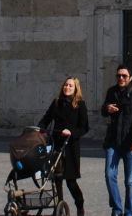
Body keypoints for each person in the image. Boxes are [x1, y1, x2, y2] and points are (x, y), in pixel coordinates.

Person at [39, 76, 90, 216]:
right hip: (56, 144)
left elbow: (84, 127)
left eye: (70, 86)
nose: (67, 88)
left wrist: (71, 132)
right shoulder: (56, 103)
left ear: (75, 89)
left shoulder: (80, 104)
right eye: (65, 85)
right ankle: (59, 208)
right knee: (57, 179)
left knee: (71, 181)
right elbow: (46, 118)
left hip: (71, 146)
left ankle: (80, 205)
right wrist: (40, 129)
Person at [101, 64, 132, 216]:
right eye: (118, 75)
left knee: (130, 180)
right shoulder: (111, 92)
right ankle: (117, 208)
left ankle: (129, 212)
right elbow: (103, 110)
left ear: (130, 78)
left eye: (124, 76)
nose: (121, 78)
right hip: (113, 141)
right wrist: (107, 109)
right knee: (109, 175)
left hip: (130, 142)